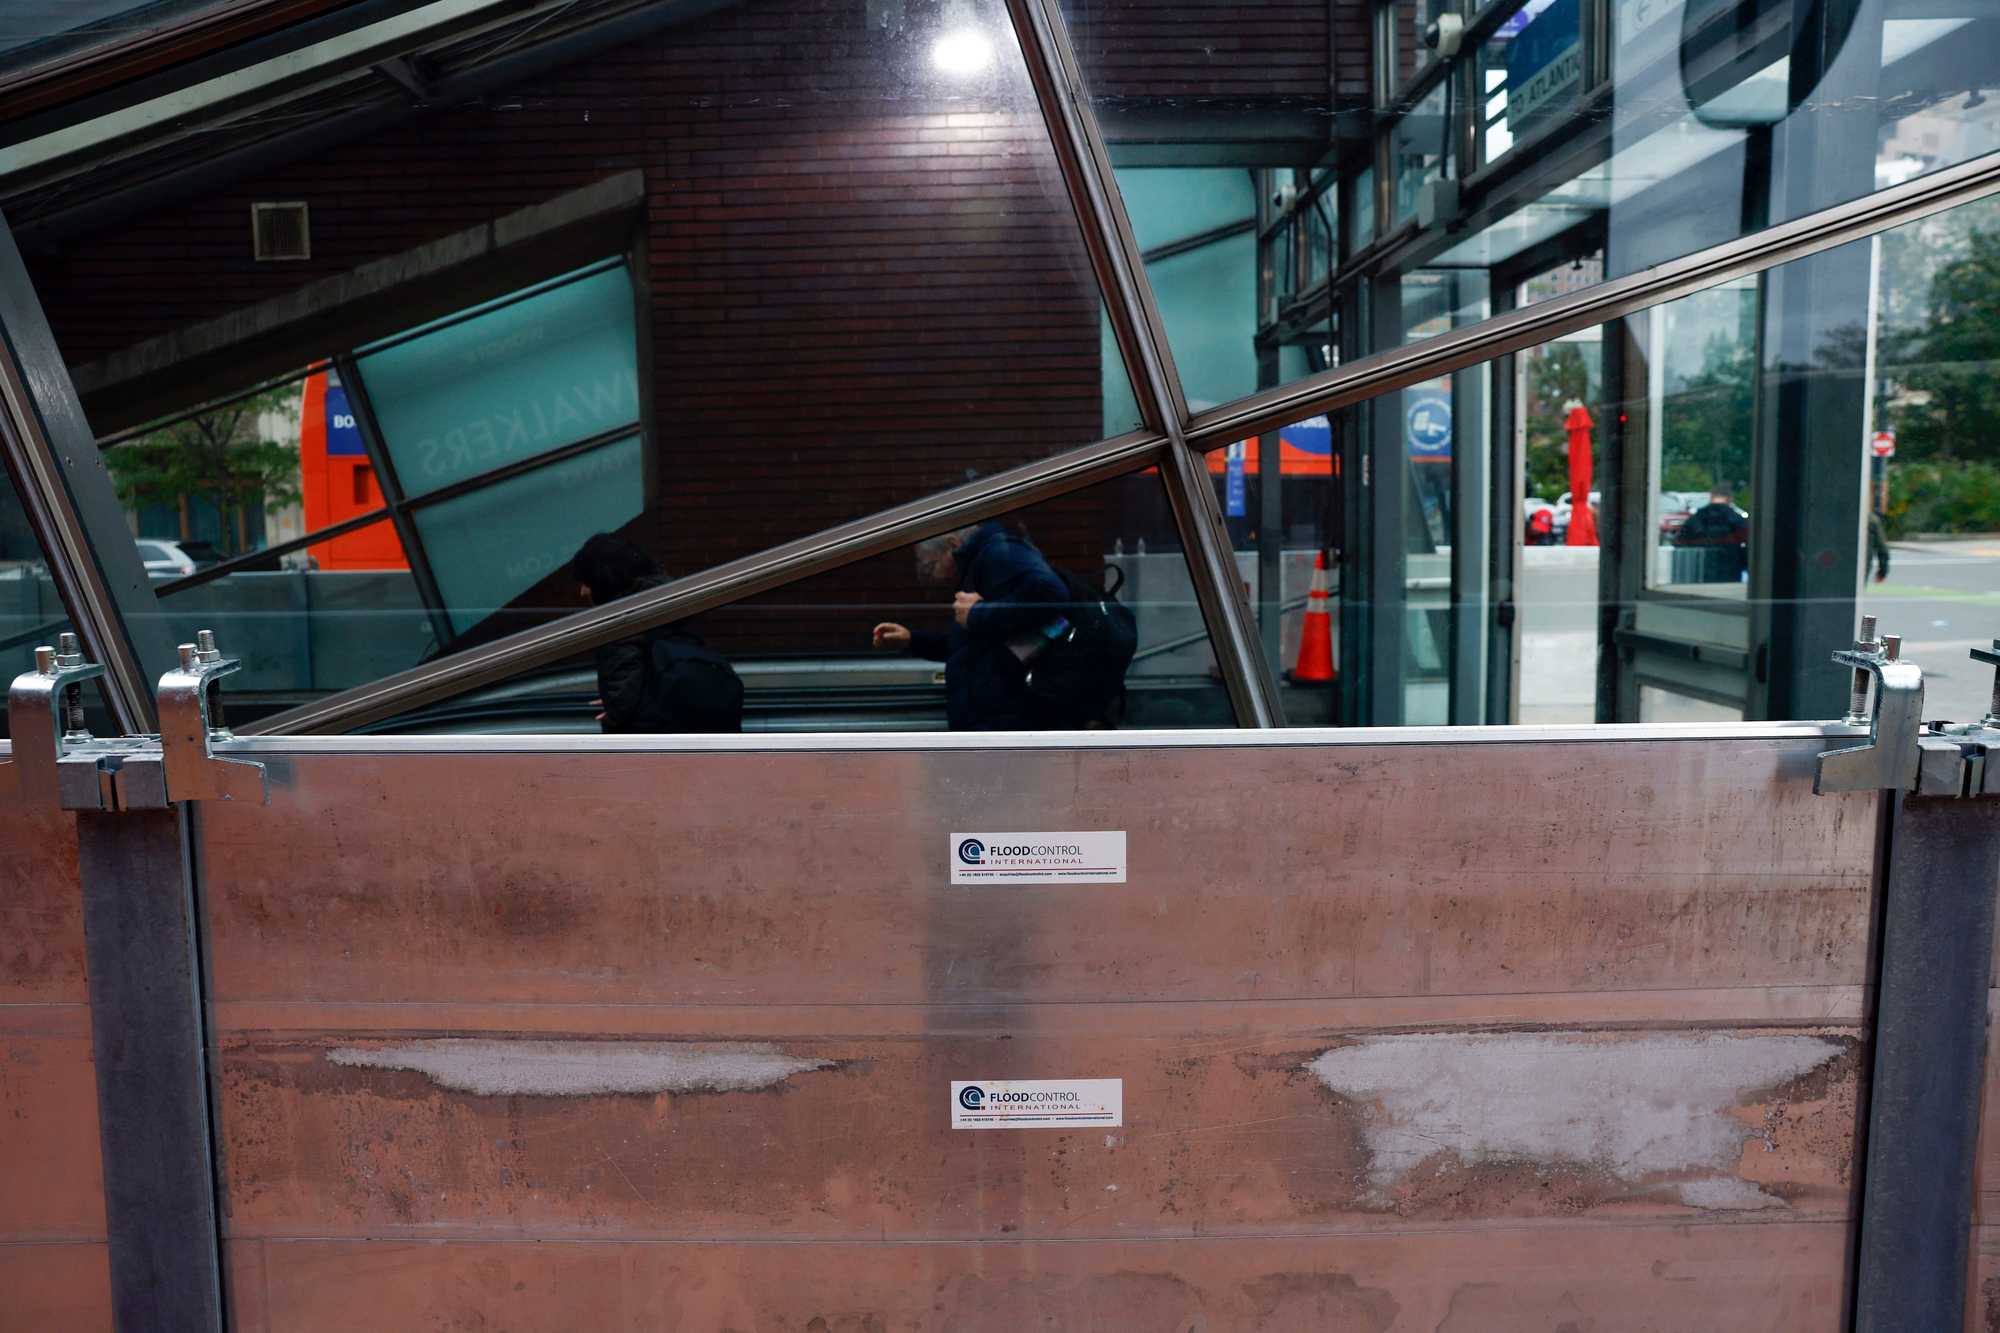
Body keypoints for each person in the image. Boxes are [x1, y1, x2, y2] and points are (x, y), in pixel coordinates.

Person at [871, 520, 1077, 730]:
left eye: (930, 566)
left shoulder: (999, 553)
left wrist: (978, 613)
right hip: (989, 715)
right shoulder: (978, 565)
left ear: (952, 545)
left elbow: (1052, 593)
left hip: (1005, 717)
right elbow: (971, 647)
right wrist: (912, 640)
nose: (930, 576)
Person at [569, 533, 743, 733]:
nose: (583, 592)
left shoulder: (620, 626)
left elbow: (620, 712)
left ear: (604, 581)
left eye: (586, 583)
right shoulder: (670, 607)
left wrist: (614, 709)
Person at [1673, 485, 1749, 581]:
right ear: (1730, 499)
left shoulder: (1696, 518)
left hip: (1702, 572)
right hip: (1730, 572)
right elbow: (1749, 546)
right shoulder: (1737, 520)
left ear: (1711, 497)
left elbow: (1679, 543)